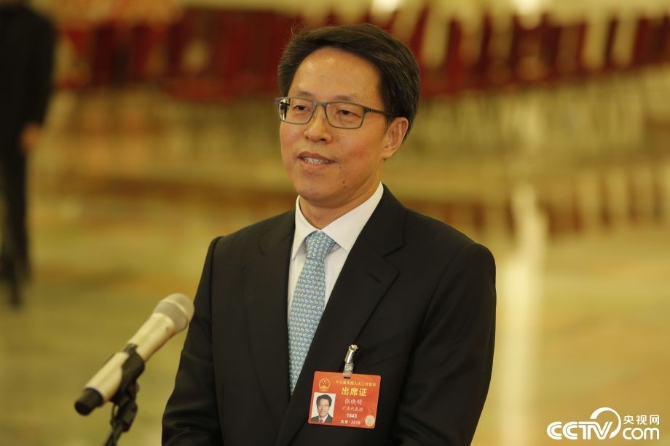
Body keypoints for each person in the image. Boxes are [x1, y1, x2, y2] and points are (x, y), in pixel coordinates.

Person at [163, 23, 496, 446]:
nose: (315, 130)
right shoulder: (231, 259)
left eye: (345, 113)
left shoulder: (449, 270)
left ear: (392, 136)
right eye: (301, 107)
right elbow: (189, 424)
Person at [0, 0, 55, 303]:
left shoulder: (38, 26)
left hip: (16, 124)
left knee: (14, 195)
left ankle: (17, 259)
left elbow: (42, 78)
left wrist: (35, 122)